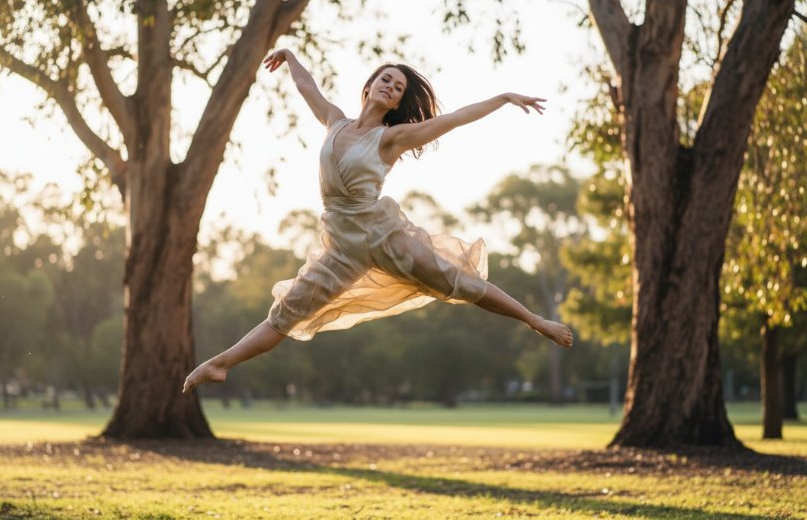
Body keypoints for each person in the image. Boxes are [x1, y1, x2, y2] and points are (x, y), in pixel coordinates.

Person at [182, 49, 573, 394]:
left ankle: (535, 320)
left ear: (397, 101)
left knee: (457, 280)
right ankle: (220, 364)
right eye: (385, 79)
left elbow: (452, 119)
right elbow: (307, 88)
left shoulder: (392, 138)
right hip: (342, 248)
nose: (390, 86)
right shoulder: (335, 121)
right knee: (285, 315)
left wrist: (503, 98)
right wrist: (288, 55)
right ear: (369, 86)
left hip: (382, 234)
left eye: (398, 88)